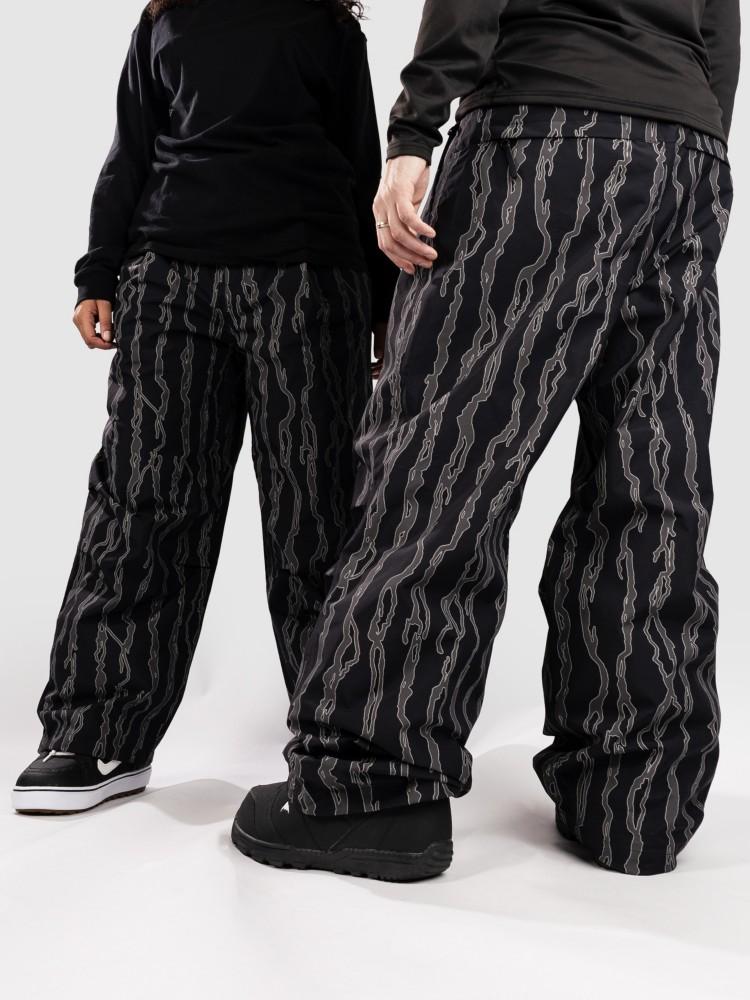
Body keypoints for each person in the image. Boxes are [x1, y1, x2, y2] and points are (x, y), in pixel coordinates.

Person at [232, 0, 741, 881]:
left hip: (544, 131)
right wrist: (693, 139)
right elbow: (722, 27)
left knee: (442, 453)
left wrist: (413, 130)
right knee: (650, 473)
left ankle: (370, 788)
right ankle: (636, 802)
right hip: (686, 153)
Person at [12, 0, 396, 814]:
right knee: (141, 506)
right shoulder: (164, 20)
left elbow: (362, 163)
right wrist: (97, 271)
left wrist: (383, 302)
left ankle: (342, 746)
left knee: (319, 516)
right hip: (170, 278)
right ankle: (95, 731)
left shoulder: (327, 24)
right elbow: (130, 151)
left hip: (306, 280)